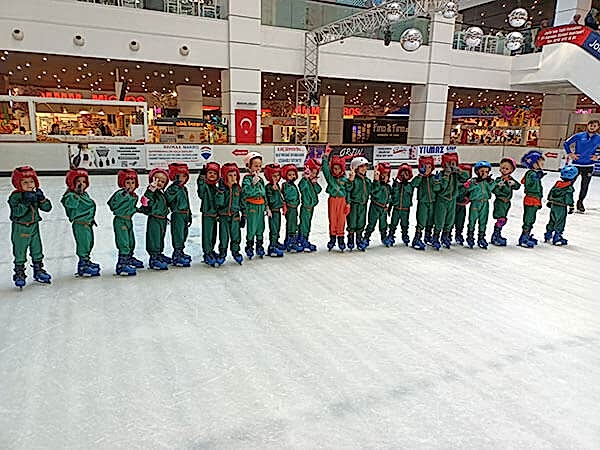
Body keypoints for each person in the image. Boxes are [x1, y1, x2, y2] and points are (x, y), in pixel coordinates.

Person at [8, 166, 53, 288]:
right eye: (25, 182)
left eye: (31, 181)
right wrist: (25, 203)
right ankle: (19, 272)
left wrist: (42, 199)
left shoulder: (34, 194)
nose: (29, 185)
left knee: (37, 248)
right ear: (18, 184)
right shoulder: (15, 197)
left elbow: (47, 208)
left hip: (34, 227)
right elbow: (17, 213)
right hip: (21, 228)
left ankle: (38, 269)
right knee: (20, 250)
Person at [61, 168, 100, 277]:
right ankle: (83, 265)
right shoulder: (70, 195)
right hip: (80, 224)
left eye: (83, 181)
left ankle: (87, 260)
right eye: (78, 181)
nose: (81, 184)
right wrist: (76, 195)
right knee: (83, 244)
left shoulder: (84, 195)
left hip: (88, 223)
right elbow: (70, 204)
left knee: (89, 243)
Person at [432, 152, 470, 250]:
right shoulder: (441, 175)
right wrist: (445, 176)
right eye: (449, 163)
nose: (451, 166)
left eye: (453, 163)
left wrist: (459, 170)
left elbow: (466, 177)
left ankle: (445, 236)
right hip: (442, 200)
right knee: (440, 220)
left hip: (452, 200)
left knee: (450, 219)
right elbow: (440, 188)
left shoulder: (456, 175)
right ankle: (435, 237)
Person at [107, 169, 141, 276]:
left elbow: (131, 207)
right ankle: (122, 263)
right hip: (121, 220)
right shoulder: (121, 194)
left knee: (131, 240)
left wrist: (139, 209)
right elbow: (112, 204)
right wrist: (122, 195)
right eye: (127, 182)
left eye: (132, 182)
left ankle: (129, 257)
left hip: (128, 220)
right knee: (123, 241)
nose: (130, 185)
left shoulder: (133, 196)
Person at [562, 119, 600, 213]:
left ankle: (580, 202)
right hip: (576, 165)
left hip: (589, 165)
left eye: (594, 126)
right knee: (569, 184)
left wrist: (598, 156)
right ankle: (567, 201)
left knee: (585, 186)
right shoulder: (579, 135)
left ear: (598, 127)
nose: (592, 127)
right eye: (591, 125)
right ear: (587, 126)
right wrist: (570, 153)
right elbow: (566, 143)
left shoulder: (598, 138)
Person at [140, 168, 170, 270]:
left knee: (160, 238)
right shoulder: (151, 192)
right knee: (154, 238)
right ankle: (153, 258)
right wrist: (150, 190)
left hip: (162, 219)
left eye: (162, 181)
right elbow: (145, 201)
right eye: (157, 180)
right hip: (154, 219)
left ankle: (159, 254)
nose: (159, 183)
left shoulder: (161, 194)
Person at [321, 146, 351, 251]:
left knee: (341, 220)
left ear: (342, 169)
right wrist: (326, 156)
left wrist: (348, 203)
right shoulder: (331, 179)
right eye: (334, 168)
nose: (336, 170)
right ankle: (332, 238)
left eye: (338, 168)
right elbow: (325, 169)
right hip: (333, 200)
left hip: (342, 201)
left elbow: (348, 191)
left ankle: (341, 239)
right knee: (332, 219)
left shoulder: (345, 180)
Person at [216, 163, 244, 265]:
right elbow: (219, 203)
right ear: (225, 176)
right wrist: (221, 192)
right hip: (224, 217)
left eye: (235, 175)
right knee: (223, 236)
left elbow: (242, 202)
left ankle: (236, 252)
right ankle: (222, 253)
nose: (233, 178)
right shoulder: (222, 189)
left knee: (236, 235)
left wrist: (244, 215)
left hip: (235, 216)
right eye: (230, 175)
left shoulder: (238, 189)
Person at [165, 163, 193, 267]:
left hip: (185, 214)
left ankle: (180, 251)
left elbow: (187, 202)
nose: (181, 179)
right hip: (177, 214)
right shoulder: (172, 188)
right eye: (178, 176)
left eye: (184, 176)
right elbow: (168, 199)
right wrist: (174, 188)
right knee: (178, 235)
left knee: (184, 234)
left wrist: (189, 214)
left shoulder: (184, 189)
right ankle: (177, 254)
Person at [544, 165, 579, 246]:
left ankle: (548, 234)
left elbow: (551, 192)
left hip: (554, 205)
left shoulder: (557, 184)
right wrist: (571, 206)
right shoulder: (569, 187)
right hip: (561, 206)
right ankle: (557, 237)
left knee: (552, 219)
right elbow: (569, 198)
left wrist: (550, 200)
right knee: (560, 221)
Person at [411, 156, 440, 250]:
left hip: (433, 202)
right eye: (425, 167)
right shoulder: (420, 178)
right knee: (422, 220)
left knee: (431, 220)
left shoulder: (433, 178)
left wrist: (437, 182)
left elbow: (437, 189)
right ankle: (417, 238)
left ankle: (427, 236)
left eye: (429, 167)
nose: (427, 169)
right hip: (423, 202)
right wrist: (420, 175)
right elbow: (413, 184)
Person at [241, 152, 267, 259]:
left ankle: (259, 245)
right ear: (249, 166)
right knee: (252, 227)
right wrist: (253, 184)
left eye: (260, 166)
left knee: (261, 227)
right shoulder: (247, 179)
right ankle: (249, 246)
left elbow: (264, 194)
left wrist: (267, 207)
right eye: (255, 166)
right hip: (252, 207)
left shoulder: (261, 180)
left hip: (261, 207)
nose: (258, 168)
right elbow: (246, 192)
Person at [465, 161, 495, 249]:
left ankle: (481, 237)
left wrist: (491, 182)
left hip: (485, 203)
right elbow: (469, 188)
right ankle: (470, 236)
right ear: (477, 172)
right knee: (472, 220)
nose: (484, 173)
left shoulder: (487, 182)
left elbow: (491, 188)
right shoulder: (474, 181)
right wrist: (475, 183)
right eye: (482, 171)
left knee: (483, 220)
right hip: (475, 203)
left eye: (486, 172)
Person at [490, 157, 520, 246]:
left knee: (504, 218)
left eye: (507, 169)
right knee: (501, 219)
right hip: (500, 202)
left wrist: (513, 183)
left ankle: (498, 234)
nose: (504, 170)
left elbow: (517, 186)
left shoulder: (510, 180)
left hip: (507, 203)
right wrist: (499, 188)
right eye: (502, 168)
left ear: (511, 170)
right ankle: (495, 236)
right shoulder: (498, 180)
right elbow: (494, 190)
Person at [519, 150, 546, 248]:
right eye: (541, 163)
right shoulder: (531, 174)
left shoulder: (533, 173)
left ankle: (527, 235)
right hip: (531, 199)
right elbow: (529, 185)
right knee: (529, 219)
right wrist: (536, 178)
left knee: (531, 219)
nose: (543, 165)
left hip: (534, 199)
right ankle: (524, 238)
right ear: (534, 164)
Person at [197, 162, 221, 266]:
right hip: (207, 214)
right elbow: (201, 191)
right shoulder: (205, 186)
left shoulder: (215, 187)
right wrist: (201, 178)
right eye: (210, 173)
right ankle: (207, 253)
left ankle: (211, 250)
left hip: (215, 215)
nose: (212, 175)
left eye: (214, 173)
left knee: (213, 235)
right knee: (207, 235)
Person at [363, 162, 392, 247]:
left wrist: (389, 204)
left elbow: (390, 197)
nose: (384, 177)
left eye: (386, 176)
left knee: (383, 224)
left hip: (383, 209)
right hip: (375, 207)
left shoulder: (388, 187)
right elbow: (374, 193)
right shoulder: (376, 185)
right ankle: (366, 237)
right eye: (382, 175)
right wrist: (376, 181)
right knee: (371, 223)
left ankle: (384, 237)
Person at [346, 156, 372, 251]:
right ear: (356, 168)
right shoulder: (354, 180)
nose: (364, 168)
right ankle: (350, 238)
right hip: (354, 205)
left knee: (361, 222)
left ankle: (359, 238)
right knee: (352, 222)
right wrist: (350, 181)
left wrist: (376, 180)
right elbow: (348, 189)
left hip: (363, 205)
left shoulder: (367, 181)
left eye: (365, 166)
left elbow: (372, 190)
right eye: (361, 166)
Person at [387, 163, 414, 246]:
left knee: (405, 223)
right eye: (402, 174)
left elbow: (409, 191)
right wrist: (390, 206)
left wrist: (405, 184)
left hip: (405, 209)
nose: (404, 176)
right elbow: (393, 196)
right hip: (396, 208)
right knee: (393, 223)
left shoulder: (410, 185)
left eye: (406, 174)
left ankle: (405, 235)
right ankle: (391, 235)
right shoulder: (397, 185)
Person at [298, 158, 322, 252]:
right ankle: (302, 239)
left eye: (315, 173)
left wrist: (315, 183)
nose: (313, 174)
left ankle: (304, 238)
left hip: (311, 207)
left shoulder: (313, 182)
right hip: (305, 207)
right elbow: (301, 187)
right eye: (312, 172)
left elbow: (319, 190)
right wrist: (305, 178)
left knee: (308, 224)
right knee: (304, 224)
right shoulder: (304, 181)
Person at [264, 163, 285, 257]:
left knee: (278, 227)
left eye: (278, 175)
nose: (276, 178)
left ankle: (276, 242)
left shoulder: (278, 186)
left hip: (278, 211)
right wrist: (273, 190)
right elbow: (270, 200)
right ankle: (272, 246)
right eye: (274, 176)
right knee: (273, 229)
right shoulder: (268, 187)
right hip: (272, 211)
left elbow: (280, 198)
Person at [281, 164, 304, 252]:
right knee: (292, 224)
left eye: (293, 174)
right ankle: (291, 242)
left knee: (293, 222)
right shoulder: (287, 185)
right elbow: (288, 195)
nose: (292, 176)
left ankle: (289, 240)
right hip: (290, 208)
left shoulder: (292, 185)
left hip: (294, 207)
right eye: (290, 175)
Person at [453, 163, 472, 245]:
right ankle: (447, 234)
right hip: (454, 205)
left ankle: (458, 234)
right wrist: (464, 186)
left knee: (460, 221)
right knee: (451, 220)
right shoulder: (455, 182)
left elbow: (471, 192)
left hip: (462, 206)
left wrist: (468, 198)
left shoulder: (469, 183)